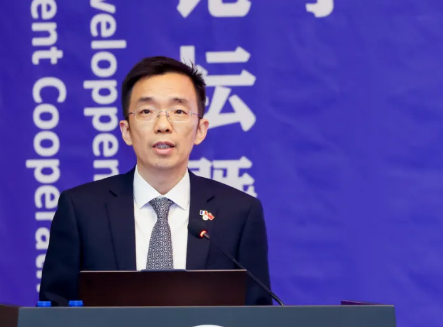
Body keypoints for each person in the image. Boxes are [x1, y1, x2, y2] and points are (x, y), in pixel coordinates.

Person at [39, 56, 272, 306]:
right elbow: (54, 311)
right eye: (147, 112)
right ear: (126, 131)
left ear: (201, 129)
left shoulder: (238, 213)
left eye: (178, 111)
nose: (163, 125)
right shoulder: (81, 210)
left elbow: (257, 315)